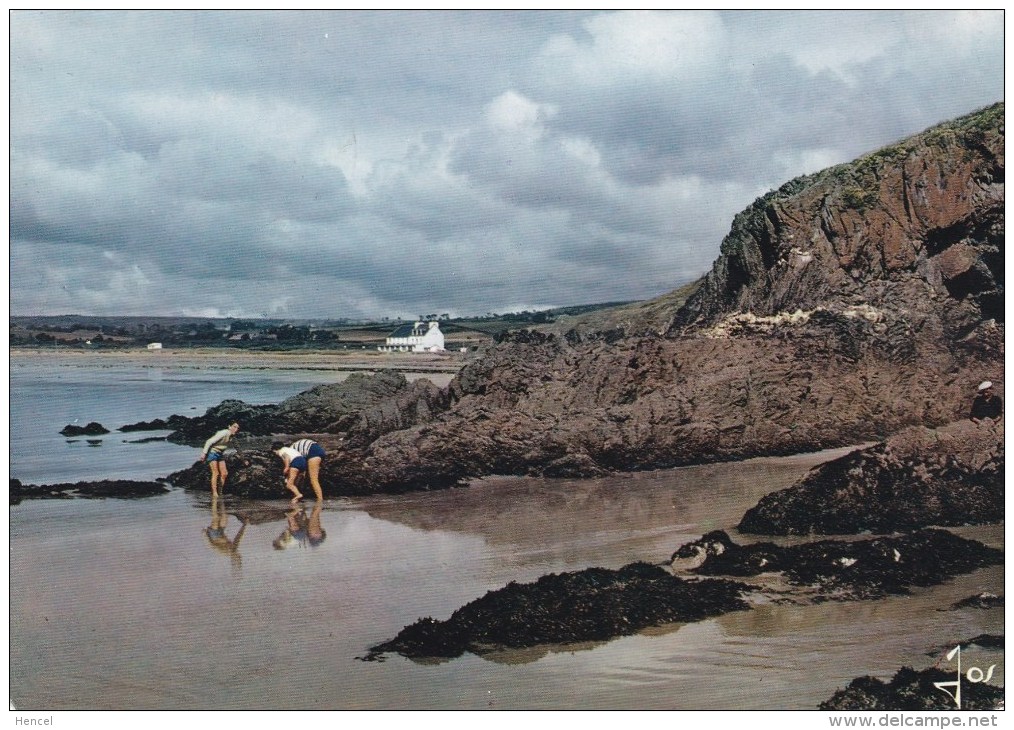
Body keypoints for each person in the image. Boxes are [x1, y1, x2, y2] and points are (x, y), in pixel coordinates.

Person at [273, 438, 326, 502]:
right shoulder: (290, 450)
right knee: (304, 477)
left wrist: (287, 470)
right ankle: (299, 495)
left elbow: (290, 461)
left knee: (313, 479)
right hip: (317, 449)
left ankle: (320, 500)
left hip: (313, 452)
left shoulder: (288, 451)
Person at [200, 422, 240, 497]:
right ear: (229, 426)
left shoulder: (232, 437)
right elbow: (209, 441)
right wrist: (204, 453)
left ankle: (220, 491)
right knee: (216, 473)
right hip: (213, 452)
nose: (236, 429)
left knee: (224, 473)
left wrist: (244, 460)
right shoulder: (223, 433)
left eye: (237, 428)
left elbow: (238, 448)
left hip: (220, 454)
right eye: (234, 427)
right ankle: (214, 493)